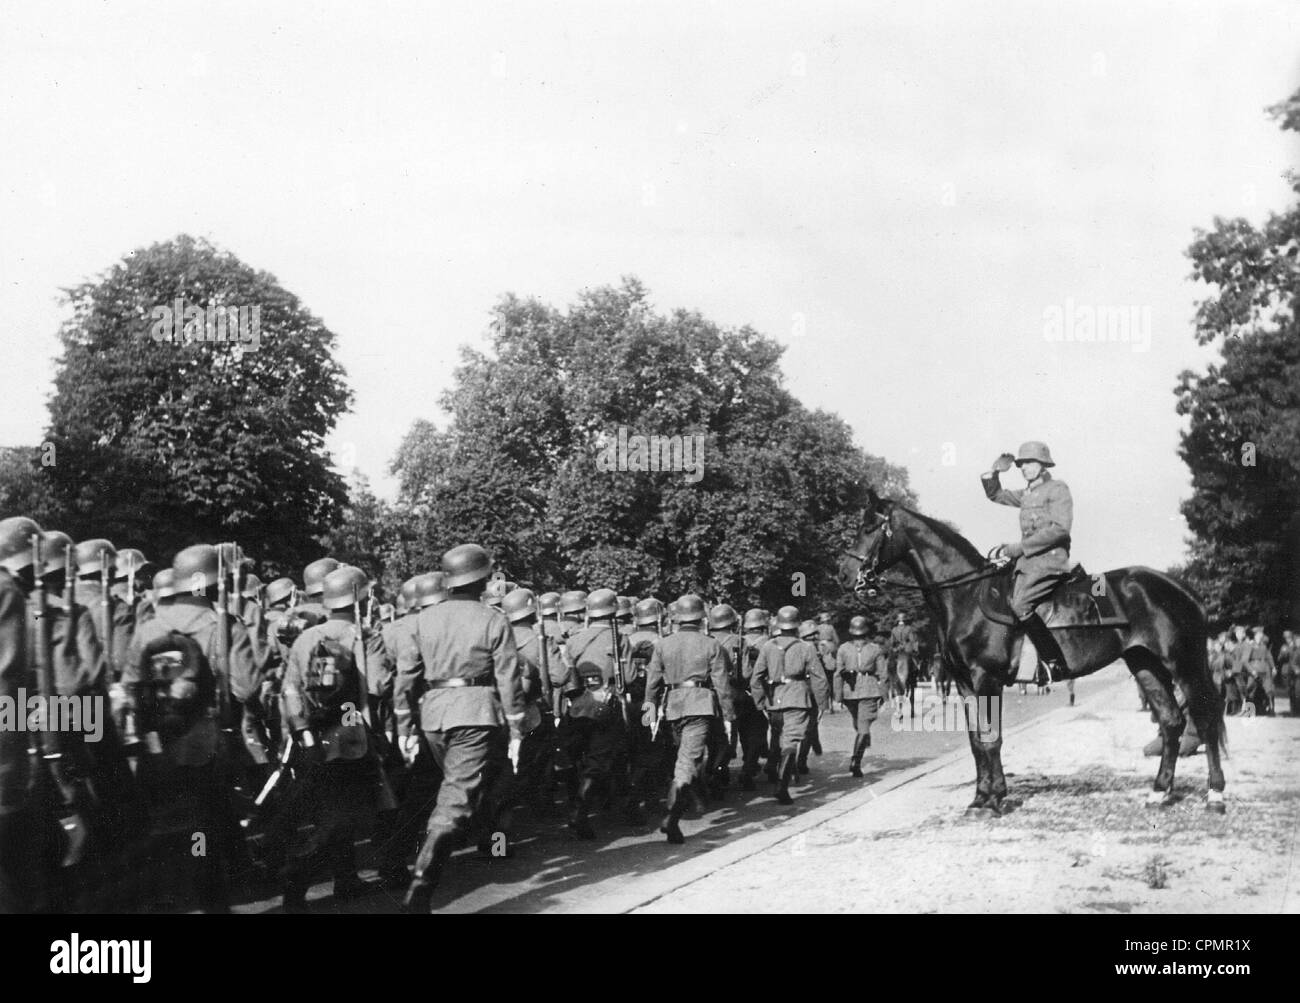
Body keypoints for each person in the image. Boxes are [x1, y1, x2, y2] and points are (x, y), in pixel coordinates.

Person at [394, 544, 525, 913]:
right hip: (476, 715)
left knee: (456, 791)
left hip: (433, 716)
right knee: (455, 801)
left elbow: (406, 679)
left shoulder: (422, 620)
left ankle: (472, 846)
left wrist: (405, 726)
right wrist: (516, 730)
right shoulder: (493, 619)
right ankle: (420, 887)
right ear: (482, 578)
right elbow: (508, 679)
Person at [278, 566, 392, 911]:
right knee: (342, 814)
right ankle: (298, 875)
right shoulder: (364, 634)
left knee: (334, 808)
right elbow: (376, 686)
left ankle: (345, 879)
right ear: (359, 597)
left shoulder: (305, 637)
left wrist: (303, 734)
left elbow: (289, 689)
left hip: (314, 737)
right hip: (353, 735)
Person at [642, 594, 732, 843]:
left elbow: (651, 686)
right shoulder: (711, 644)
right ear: (702, 618)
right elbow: (722, 685)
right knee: (687, 763)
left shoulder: (663, 644)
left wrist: (648, 718)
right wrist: (728, 716)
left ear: (677, 619)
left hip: (672, 706)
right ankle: (671, 817)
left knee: (682, 759)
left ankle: (679, 806)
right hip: (700, 706)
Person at [981, 441, 1074, 681]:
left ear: (1043, 465)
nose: (1024, 468)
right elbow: (996, 495)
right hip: (1028, 561)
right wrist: (994, 472)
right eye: (1021, 464)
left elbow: (1061, 529)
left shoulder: (1057, 489)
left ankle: (1054, 662)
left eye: (1030, 463)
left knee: (1020, 604)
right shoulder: (1027, 494)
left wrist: (1018, 548)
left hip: (1050, 561)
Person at [750, 606, 830, 805]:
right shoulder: (807, 647)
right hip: (797, 698)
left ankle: (776, 773)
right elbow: (820, 679)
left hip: (774, 700)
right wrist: (821, 705)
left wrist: (760, 703)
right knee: (790, 742)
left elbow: (756, 678)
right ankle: (781, 786)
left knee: (779, 737)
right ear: (797, 625)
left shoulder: (768, 646)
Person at [835, 616, 887, 778]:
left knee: (861, 727)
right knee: (862, 728)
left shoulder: (843, 648)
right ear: (866, 631)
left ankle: (855, 761)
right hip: (868, 689)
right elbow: (883, 674)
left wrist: (838, 697)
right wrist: (884, 695)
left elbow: (838, 674)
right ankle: (856, 760)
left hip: (850, 691)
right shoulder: (875, 648)